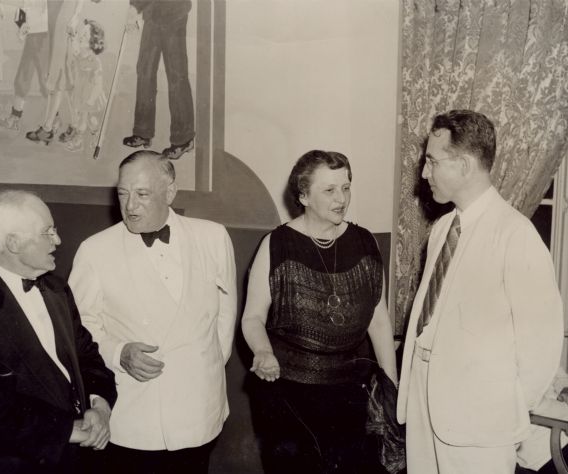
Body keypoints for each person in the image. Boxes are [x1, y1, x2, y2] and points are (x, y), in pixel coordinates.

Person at [396, 109, 564, 474]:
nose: (424, 173)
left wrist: (504, 409)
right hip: (426, 406)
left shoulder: (515, 235)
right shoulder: (442, 228)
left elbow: (543, 341)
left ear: (466, 165)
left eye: (432, 161)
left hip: (480, 423)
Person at [69, 150, 237, 473]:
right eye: (123, 194)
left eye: (142, 194)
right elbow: (80, 331)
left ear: (170, 192)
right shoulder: (94, 251)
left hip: (198, 411)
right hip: (133, 416)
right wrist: (119, 353)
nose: (130, 206)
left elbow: (225, 314)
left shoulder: (213, 237)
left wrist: (204, 364)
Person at [241, 150, 399, 474]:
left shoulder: (365, 242)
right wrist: (262, 351)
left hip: (351, 394)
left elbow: (379, 321)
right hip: (289, 395)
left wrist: (390, 389)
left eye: (346, 187)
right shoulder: (276, 244)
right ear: (303, 195)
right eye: (329, 190)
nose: (342, 198)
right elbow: (253, 316)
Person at [0, 190, 117, 473]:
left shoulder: (57, 289)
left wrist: (100, 406)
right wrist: (66, 431)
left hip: (77, 460)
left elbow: (88, 357)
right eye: (47, 232)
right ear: (13, 243)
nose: (58, 241)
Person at [122, 0, 195, 160]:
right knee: (145, 70)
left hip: (174, 13)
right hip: (153, 14)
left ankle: (184, 139)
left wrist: (135, 8)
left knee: (176, 75)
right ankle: (143, 132)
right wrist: (136, 11)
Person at [26, 0, 101, 145]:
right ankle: (70, 123)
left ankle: (50, 127)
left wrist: (75, 15)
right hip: (54, 15)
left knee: (60, 74)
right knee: (62, 75)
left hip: (67, 15)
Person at [0, 0, 63, 131]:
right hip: (32, 33)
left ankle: (54, 118)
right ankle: (15, 117)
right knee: (24, 74)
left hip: (46, 35)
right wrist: (22, 24)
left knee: (45, 78)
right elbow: (21, 7)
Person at [62, 18, 107, 152]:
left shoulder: (95, 61)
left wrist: (91, 99)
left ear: (93, 42)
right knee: (84, 117)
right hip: (80, 92)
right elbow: (75, 48)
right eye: (82, 33)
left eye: (85, 35)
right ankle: (86, 135)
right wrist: (72, 36)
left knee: (88, 119)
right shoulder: (80, 54)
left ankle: (84, 138)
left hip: (90, 95)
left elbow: (98, 83)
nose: (82, 36)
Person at [517, 367, 568, 473]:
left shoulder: (537, 352)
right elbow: (532, 403)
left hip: (561, 430)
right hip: (546, 453)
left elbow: (558, 375)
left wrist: (565, 389)